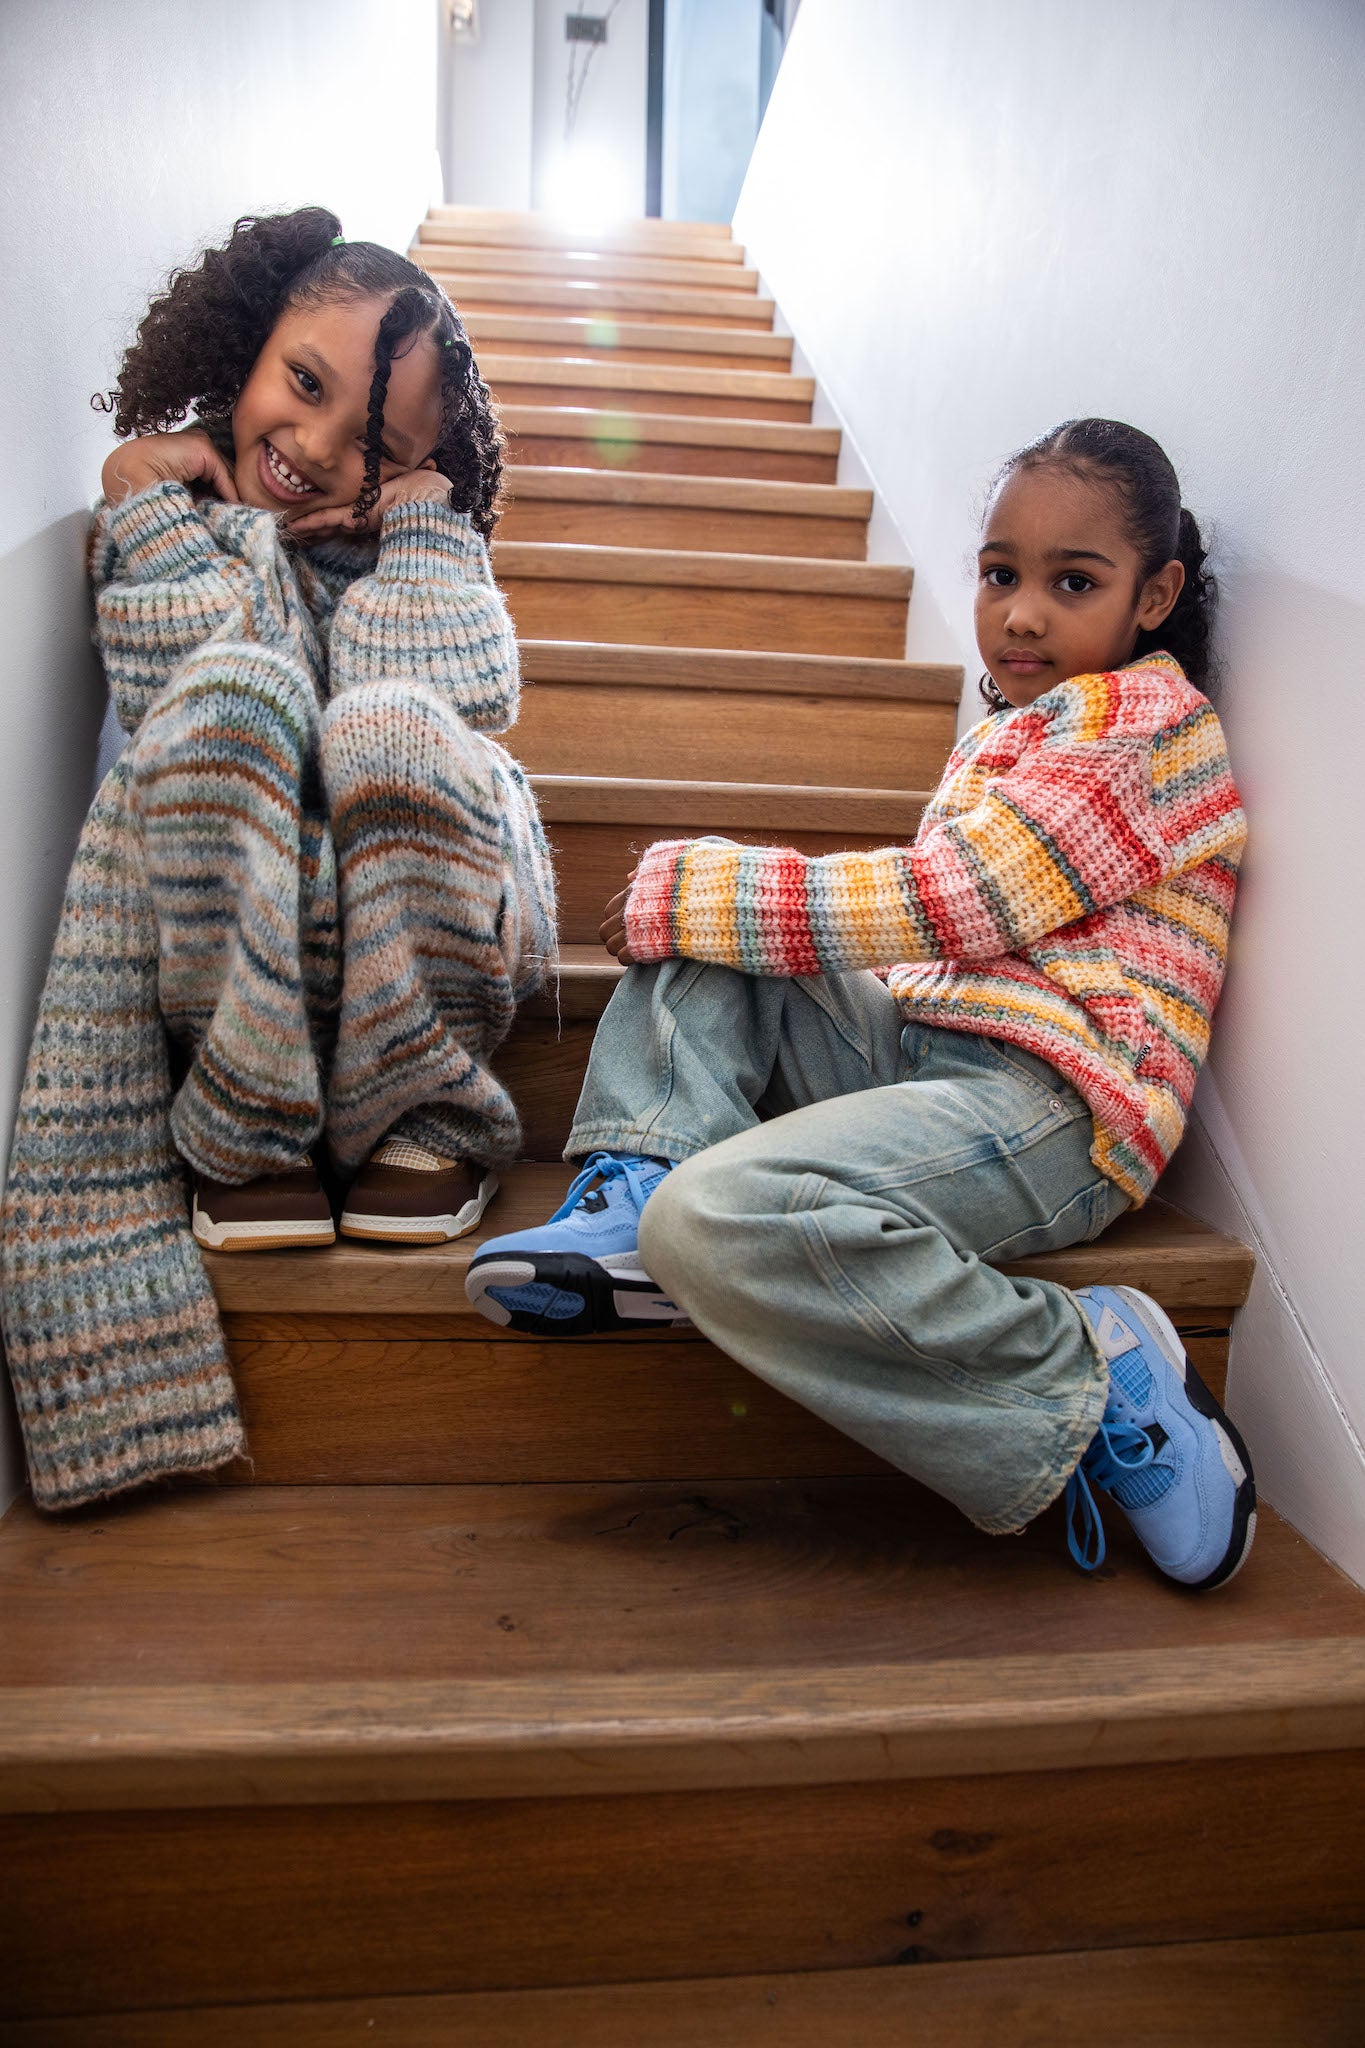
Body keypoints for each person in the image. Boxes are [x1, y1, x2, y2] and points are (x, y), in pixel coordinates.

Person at [467, 418, 1255, 1590]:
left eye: (1071, 581)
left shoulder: (1148, 725)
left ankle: (1085, 1377)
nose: (1023, 612)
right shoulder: (1013, 731)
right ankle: (634, 1182)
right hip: (935, 1049)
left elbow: (965, 898)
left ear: (1158, 594)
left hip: (1060, 1102)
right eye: (1000, 574)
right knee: (711, 938)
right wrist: (719, 907)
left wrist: (712, 890)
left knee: (717, 1198)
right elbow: (941, 942)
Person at [0, 207, 555, 1509]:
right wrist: (150, 510)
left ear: (417, 466)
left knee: (384, 725)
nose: (313, 447)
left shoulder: (436, 558)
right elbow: (180, 690)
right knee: (230, 695)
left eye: (376, 446)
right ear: (251, 349)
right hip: (248, 977)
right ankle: (249, 1124)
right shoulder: (169, 529)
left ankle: (423, 1109)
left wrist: (421, 530)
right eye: (303, 386)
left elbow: (438, 703)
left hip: (437, 930)